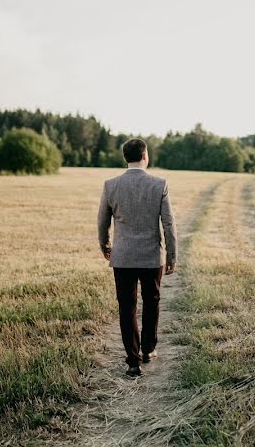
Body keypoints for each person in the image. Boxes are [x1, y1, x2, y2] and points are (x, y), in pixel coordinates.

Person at [97, 138, 177, 377]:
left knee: (127, 308)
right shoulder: (159, 184)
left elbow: (102, 221)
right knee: (152, 302)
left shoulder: (111, 185)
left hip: (122, 257)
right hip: (152, 257)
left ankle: (133, 361)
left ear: (126, 157)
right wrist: (172, 254)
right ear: (145, 156)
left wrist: (105, 245)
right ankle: (148, 350)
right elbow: (169, 224)